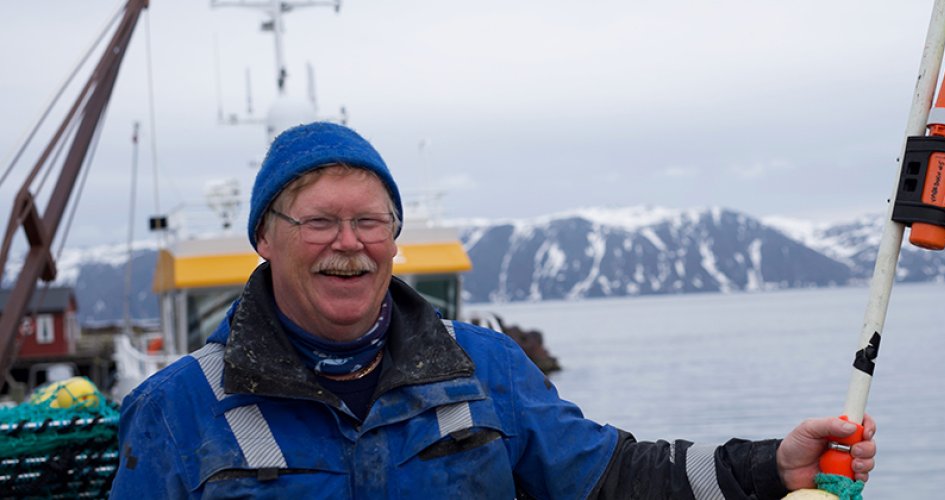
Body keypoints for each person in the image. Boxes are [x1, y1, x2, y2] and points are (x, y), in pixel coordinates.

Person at [110, 122, 876, 498]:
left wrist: (770, 466)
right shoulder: (176, 409)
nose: (349, 245)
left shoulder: (484, 369)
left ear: (394, 239)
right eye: (318, 221)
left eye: (370, 221)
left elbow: (613, 478)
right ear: (266, 241)